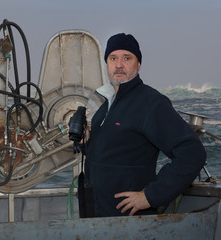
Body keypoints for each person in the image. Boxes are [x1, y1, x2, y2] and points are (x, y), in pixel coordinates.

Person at [83, 33, 206, 217]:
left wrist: (150, 196)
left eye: (127, 58)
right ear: (106, 64)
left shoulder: (151, 103)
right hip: (98, 216)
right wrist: (86, 142)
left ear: (138, 65)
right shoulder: (105, 106)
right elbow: (110, 155)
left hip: (129, 221)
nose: (118, 65)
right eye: (113, 58)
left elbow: (192, 153)